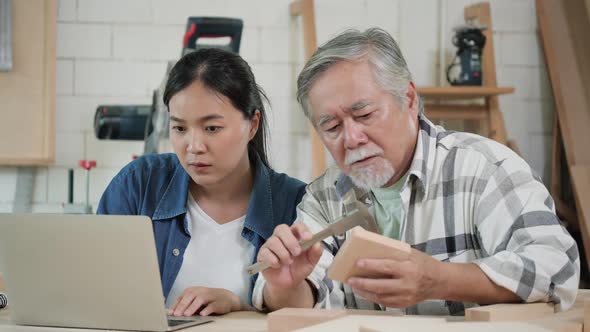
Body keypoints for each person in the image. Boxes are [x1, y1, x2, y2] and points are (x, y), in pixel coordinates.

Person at [251, 28, 580, 315]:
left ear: (408, 99)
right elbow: (310, 295)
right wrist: (285, 286)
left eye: (364, 114)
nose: (351, 139)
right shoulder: (324, 198)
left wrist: (441, 280)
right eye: (332, 126)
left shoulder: (483, 168)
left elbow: (555, 265)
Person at [97, 48, 306, 317]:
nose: (193, 147)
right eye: (180, 128)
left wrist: (237, 305)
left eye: (211, 128)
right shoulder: (138, 184)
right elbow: (99, 294)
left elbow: (310, 316)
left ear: (252, 124)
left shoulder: (297, 204)